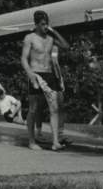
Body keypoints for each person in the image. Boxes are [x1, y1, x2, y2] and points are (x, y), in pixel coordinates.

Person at [21, 10, 69, 151]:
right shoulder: (30, 38)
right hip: (35, 73)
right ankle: (31, 141)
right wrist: (30, 74)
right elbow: (23, 58)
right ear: (36, 24)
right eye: (42, 24)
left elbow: (66, 46)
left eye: (46, 24)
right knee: (34, 108)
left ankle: (55, 142)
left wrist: (54, 31)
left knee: (54, 108)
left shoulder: (50, 38)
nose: (45, 27)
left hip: (49, 75)